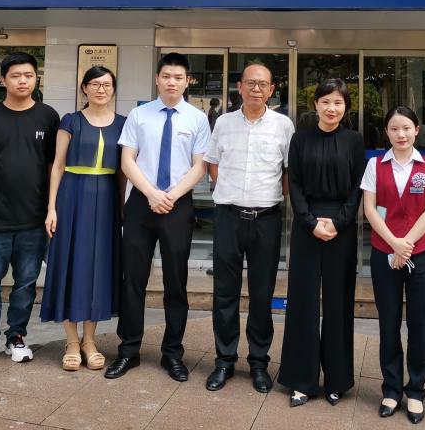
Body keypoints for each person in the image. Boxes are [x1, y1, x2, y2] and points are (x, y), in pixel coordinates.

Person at [105, 52, 211, 382]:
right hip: (141, 203)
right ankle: (128, 350)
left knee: (175, 282)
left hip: (178, 205)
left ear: (187, 81)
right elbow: (127, 160)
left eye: (178, 77)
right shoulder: (139, 115)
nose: (171, 82)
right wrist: (151, 193)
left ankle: (173, 353)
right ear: (157, 78)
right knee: (133, 279)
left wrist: (171, 196)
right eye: (166, 76)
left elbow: (200, 166)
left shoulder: (197, 119)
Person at [0, 52, 60, 368]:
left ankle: (16, 336)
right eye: (16, 75)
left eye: (29, 75)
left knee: (26, 284)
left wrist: (52, 207)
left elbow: (53, 166)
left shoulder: (48, 117)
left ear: (36, 79)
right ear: (3, 79)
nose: (23, 81)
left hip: (33, 219)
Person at [203, 63, 295, 393]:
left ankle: (258, 362)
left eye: (263, 84)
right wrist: (232, 193)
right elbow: (213, 164)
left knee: (261, 293)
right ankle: (224, 360)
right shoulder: (224, 123)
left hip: (266, 220)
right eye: (251, 83)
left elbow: (288, 172)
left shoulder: (284, 125)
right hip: (228, 217)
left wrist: (264, 196)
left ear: (272, 90)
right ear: (239, 87)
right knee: (224, 293)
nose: (257, 89)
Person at [278, 77, 366, 407]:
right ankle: (301, 380)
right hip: (306, 226)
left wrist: (339, 221)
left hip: (342, 228)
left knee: (338, 302)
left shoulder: (354, 141)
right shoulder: (300, 139)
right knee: (302, 302)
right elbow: (295, 185)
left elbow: (358, 187)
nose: (332, 108)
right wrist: (310, 222)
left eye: (338, 102)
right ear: (315, 104)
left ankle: (337, 380)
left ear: (346, 107)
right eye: (326, 101)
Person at [40, 65, 126, 371]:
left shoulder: (123, 123)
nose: (101, 89)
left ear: (113, 89)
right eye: (95, 84)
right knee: (70, 264)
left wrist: (121, 210)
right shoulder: (71, 120)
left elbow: (122, 173)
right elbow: (57, 165)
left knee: (98, 269)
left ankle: (90, 340)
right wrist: (51, 208)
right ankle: (72, 341)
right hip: (72, 197)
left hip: (106, 200)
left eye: (107, 85)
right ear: (84, 88)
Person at [362, 105, 425, 424]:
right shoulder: (375, 165)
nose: (401, 134)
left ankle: (416, 392)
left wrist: (405, 245)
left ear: (417, 130)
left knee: (420, 325)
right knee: (389, 323)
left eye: (407, 128)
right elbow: (369, 209)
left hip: (419, 254)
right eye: (394, 128)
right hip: (384, 253)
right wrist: (394, 244)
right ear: (386, 132)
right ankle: (392, 389)